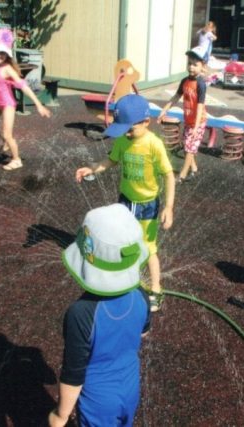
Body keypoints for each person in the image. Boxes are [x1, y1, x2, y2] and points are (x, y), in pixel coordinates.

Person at [49, 203, 151, 427]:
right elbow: (142, 333)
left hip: (98, 399)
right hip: (131, 385)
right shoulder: (141, 295)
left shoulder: (81, 313)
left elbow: (73, 373)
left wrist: (61, 414)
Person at [75, 94, 175, 312]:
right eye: (123, 130)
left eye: (130, 129)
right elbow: (111, 160)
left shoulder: (153, 145)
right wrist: (92, 168)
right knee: (124, 241)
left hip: (148, 203)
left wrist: (168, 207)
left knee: (148, 248)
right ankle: (128, 279)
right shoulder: (122, 140)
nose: (127, 134)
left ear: (146, 122)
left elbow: (168, 175)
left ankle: (156, 289)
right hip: (125, 201)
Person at [0, 29, 51, 171]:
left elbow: (23, 86)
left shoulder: (7, 69)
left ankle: (16, 159)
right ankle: (5, 140)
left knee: (8, 134)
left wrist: (38, 105)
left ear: (7, 54)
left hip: (8, 104)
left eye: (2, 52)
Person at [157, 47, 209, 184]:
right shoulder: (185, 81)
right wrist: (164, 110)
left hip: (199, 121)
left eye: (195, 64)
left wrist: (196, 127)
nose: (191, 67)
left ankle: (182, 176)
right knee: (187, 148)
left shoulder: (201, 84)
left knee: (189, 148)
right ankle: (194, 168)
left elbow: (200, 107)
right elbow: (175, 97)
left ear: (202, 66)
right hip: (189, 120)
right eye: (189, 63)